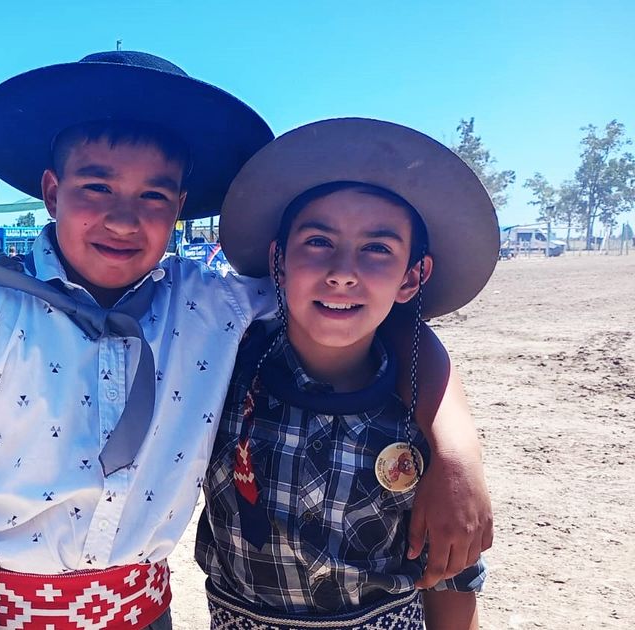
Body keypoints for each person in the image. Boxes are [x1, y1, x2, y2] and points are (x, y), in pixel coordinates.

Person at [0, 52, 491, 630]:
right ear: (51, 192)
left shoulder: (210, 305)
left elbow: (373, 313)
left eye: (154, 196)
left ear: (179, 206)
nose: (124, 220)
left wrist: (457, 451)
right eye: (96, 188)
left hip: (147, 617)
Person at [197, 119, 496, 629]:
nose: (342, 271)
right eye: (317, 241)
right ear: (279, 259)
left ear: (412, 277)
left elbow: (451, 574)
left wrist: (455, 455)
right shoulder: (224, 368)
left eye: (377, 249)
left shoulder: (416, 417)